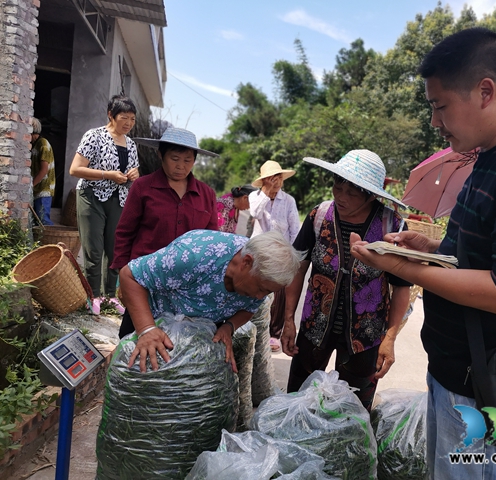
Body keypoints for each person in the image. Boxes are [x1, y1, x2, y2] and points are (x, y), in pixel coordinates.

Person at [350, 28, 496, 479]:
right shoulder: (493, 155)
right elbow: (488, 253)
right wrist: (432, 248)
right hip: (461, 375)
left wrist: (401, 267)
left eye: (439, 107)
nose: (435, 122)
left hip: (490, 393)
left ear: (484, 91)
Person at [281, 149, 412, 411]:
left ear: (370, 194)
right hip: (314, 327)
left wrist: (390, 338)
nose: (341, 196)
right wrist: (288, 320)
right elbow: (298, 268)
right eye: (337, 186)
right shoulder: (319, 216)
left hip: (366, 335)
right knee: (298, 401)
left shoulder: (391, 225)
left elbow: (401, 287)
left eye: (352, 192)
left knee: (352, 409)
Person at [118, 229, 305, 373]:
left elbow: (250, 308)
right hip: (148, 319)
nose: (259, 296)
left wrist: (229, 326)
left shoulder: (257, 279)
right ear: (246, 262)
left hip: (195, 333)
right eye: (261, 289)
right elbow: (130, 275)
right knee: (139, 378)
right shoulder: (193, 256)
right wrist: (147, 330)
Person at [111, 127, 220, 338]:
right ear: (161, 155)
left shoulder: (206, 194)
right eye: (175, 158)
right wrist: (123, 280)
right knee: (132, 336)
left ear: (195, 160)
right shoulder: (143, 187)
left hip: (186, 285)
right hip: (143, 279)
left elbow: (211, 243)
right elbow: (124, 232)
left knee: (177, 342)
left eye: (187, 160)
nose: (181, 166)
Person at [69, 95, 139, 315]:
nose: (128, 123)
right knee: (94, 249)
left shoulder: (131, 144)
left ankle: (110, 295)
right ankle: (93, 296)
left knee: (115, 249)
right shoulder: (94, 136)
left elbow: (134, 173)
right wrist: (106, 175)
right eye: (124, 118)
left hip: (118, 199)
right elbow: (75, 169)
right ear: (111, 115)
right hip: (91, 196)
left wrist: (135, 174)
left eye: (132, 119)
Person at [249, 160, 301, 352]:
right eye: (272, 179)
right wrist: (266, 192)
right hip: (260, 253)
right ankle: (256, 328)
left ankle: (274, 334)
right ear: (263, 181)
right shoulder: (255, 197)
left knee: (279, 295)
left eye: (279, 178)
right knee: (258, 291)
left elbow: (295, 229)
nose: (276, 182)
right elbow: (254, 212)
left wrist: (295, 255)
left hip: (280, 252)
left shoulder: (288, 201)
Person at [30, 118, 56, 226]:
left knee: (43, 220)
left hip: (43, 189)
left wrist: (31, 185)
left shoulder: (43, 144)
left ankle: (52, 242)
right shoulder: (35, 144)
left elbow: (44, 170)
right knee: (38, 220)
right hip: (38, 189)